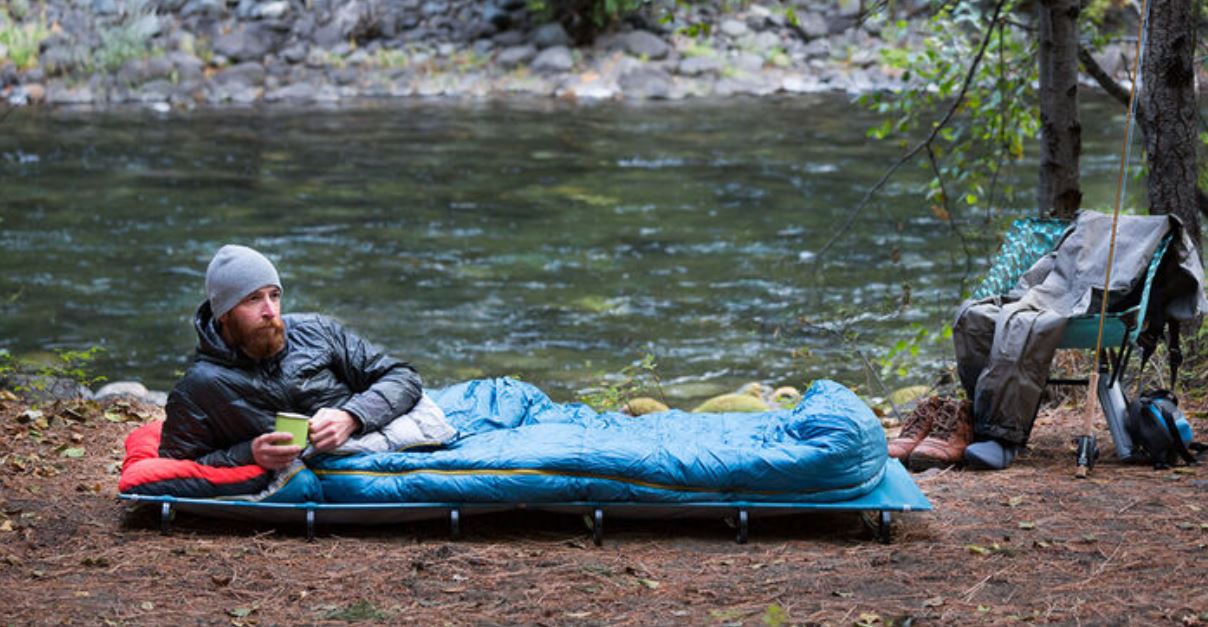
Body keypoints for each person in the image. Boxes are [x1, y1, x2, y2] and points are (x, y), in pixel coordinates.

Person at [159, 244, 423, 470]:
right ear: (224, 314)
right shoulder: (199, 387)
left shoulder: (317, 331)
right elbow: (176, 466)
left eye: (274, 295)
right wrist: (248, 454)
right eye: (253, 299)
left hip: (364, 447)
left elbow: (402, 376)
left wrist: (352, 417)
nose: (270, 310)